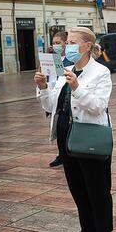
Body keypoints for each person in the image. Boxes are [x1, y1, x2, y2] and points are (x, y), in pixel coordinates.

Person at [34, 27, 115, 232]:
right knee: (78, 189)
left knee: (97, 190)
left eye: (72, 42)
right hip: (65, 138)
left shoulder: (100, 72)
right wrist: (43, 87)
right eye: (66, 42)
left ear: (87, 46)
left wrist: (77, 88)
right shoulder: (64, 70)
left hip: (89, 137)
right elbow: (52, 107)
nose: (67, 46)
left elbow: (98, 106)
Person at [49, 32, 75, 168]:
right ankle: (61, 155)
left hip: (68, 101)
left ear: (66, 43)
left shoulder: (71, 60)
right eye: (53, 43)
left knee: (68, 131)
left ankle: (68, 155)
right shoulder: (55, 59)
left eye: (58, 43)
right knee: (59, 131)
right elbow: (53, 80)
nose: (55, 46)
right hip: (56, 99)